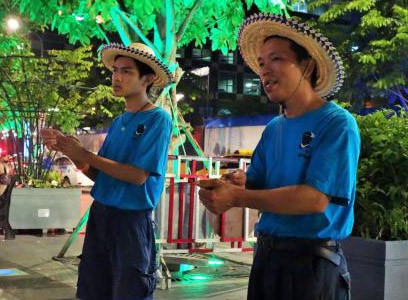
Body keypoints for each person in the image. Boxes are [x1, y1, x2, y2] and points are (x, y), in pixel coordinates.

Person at [198, 13, 360, 300]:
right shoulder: (274, 129)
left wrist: (236, 197)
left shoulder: (337, 123)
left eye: (276, 59)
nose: (264, 71)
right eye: (261, 63)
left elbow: (314, 199)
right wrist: (236, 183)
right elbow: (258, 181)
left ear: (307, 65)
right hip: (267, 258)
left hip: (312, 264)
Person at [41, 43, 173, 300]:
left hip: (131, 221)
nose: (117, 77)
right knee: (93, 290)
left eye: (126, 71)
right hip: (102, 215)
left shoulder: (158, 119)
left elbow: (137, 176)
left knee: (129, 291)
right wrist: (72, 153)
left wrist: (86, 155)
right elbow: (102, 175)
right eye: (115, 70)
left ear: (147, 79)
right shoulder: (119, 122)